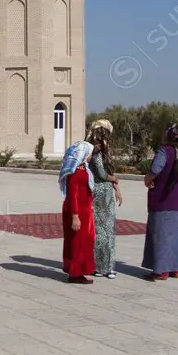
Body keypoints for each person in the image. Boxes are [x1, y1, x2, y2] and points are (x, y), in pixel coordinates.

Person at [142, 123, 178, 280]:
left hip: (161, 199)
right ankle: (175, 269)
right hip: (177, 201)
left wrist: (148, 179)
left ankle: (161, 270)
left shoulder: (164, 151)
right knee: (174, 236)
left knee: (160, 234)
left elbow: (156, 169)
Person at [88, 120, 123, 279]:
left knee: (102, 229)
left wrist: (115, 185)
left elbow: (104, 173)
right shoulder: (99, 152)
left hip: (100, 191)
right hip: (103, 192)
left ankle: (102, 267)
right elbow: (103, 174)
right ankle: (106, 267)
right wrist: (114, 180)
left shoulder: (96, 151)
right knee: (106, 230)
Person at [60, 140, 95, 284]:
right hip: (78, 212)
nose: (90, 156)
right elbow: (72, 195)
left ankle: (75, 269)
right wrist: (75, 216)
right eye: (89, 153)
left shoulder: (83, 169)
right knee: (78, 242)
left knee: (83, 241)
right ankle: (76, 273)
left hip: (85, 211)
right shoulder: (74, 173)